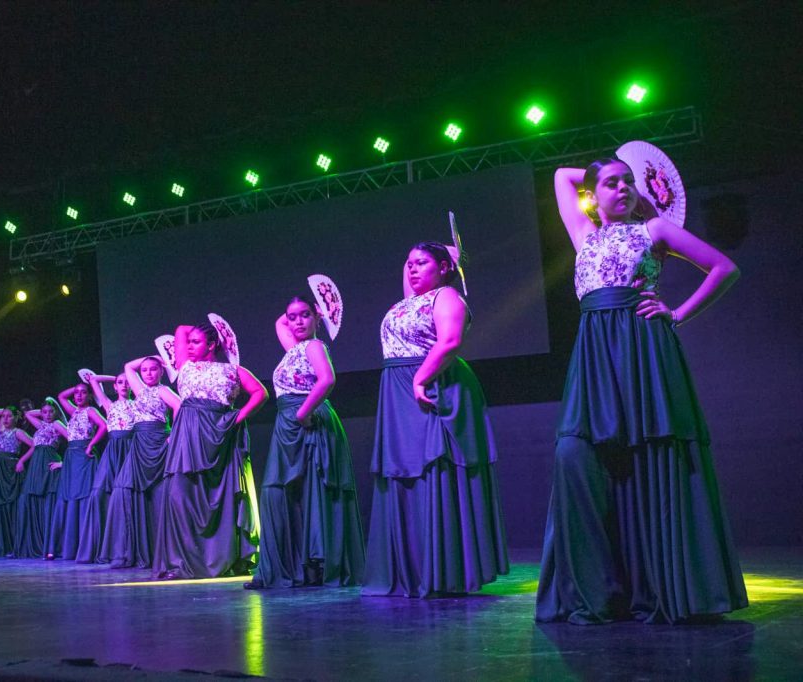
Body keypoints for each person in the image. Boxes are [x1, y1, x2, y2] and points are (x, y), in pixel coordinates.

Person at [536, 160, 747, 624]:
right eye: (612, 183)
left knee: (653, 458)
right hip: (594, 354)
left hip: (643, 349)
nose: (623, 187)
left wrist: (678, 313)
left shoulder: (655, 229)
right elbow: (561, 177)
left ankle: (665, 587)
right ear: (593, 194)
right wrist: (606, 167)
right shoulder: (583, 234)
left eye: (629, 180)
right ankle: (601, 591)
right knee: (574, 455)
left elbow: (724, 268)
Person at [362, 242, 509, 598]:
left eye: (421, 263)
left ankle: (445, 570)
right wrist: (428, 254)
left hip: (431, 386)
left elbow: (450, 341)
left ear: (443, 267)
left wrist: (419, 378)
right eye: (408, 263)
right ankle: (413, 570)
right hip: (399, 389)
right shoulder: (408, 301)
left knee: (433, 470)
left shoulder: (446, 296)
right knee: (406, 472)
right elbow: (409, 269)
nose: (412, 269)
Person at [246, 296, 365, 588]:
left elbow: (326, 380)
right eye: (293, 316)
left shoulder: (314, 346)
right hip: (288, 423)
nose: (297, 322)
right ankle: (295, 567)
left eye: (305, 315)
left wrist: (302, 413)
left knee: (313, 493)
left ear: (316, 319)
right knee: (283, 493)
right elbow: (279, 323)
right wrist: (310, 313)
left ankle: (317, 568)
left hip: (308, 421)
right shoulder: (294, 349)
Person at [153, 323, 268, 579]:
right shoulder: (185, 366)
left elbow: (261, 393)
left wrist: (238, 418)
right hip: (188, 434)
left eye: (197, 342)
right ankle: (181, 562)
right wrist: (207, 328)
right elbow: (181, 329)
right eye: (190, 342)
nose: (189, 346)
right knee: (179, 495)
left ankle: (222, 559)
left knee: (220, 498)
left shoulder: (232, 370)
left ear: (212, 344)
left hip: (219, 434)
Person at [102, 356, 179, 567]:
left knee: (159, 493)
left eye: (153, 369)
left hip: (156, 441)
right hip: (139, 442)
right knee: (123, 490)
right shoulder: (139, 390)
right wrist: (153, 358)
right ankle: (129, 551)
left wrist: (173, 434)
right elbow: (128, 365)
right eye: (144, 370)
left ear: (161, 372)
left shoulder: (163, 390)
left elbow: (179, 406)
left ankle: (161, 550)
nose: (148, 373)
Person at [48, 383, 106, 561]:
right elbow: (60, 396)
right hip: (72, 456)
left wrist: (91, 444)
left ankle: (85, 546)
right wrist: (76, 386)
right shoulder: (74, 412)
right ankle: (71, 548)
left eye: (83, 393)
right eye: (76, 393)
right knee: (70, 498)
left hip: (84, 455)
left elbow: (103, 426)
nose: (79, 396)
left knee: (83, 498)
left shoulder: (90, 411)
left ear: (89, 396)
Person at [82, 371, 135, 563]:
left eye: (127, 383)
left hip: (131, 449)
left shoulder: (138, 404)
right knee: (99, 494)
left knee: (125, 495)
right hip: (113, 450)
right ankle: (102, 545)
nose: (124, 385)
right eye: (120, 383)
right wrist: (115, 377)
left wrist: (129, 378)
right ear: (114, 386)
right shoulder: (108, 405)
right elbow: (93, 380)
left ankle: (126, 547)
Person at [16, 401, 66, 559]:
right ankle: (31, 545)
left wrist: (63, 463)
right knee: (30, 501)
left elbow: (73, 440)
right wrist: (46, 407)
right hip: (36, 465)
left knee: (48, 504)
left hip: (49, 463)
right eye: (44, 412)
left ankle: (50, 547)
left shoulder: (57, 424)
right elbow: (28, 414)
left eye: (51, 411)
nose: (47, 414)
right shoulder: (41, 426)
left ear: (56, 413)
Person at [0, 406, 33, 557]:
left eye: (9, 416)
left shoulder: (18, 432)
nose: (4, 418)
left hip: (9, 470)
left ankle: (12, 546)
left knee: (10, 507)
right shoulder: (0, 430)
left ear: (16, 418)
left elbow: (34, 445)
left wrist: (21, 461)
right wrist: (8, 410)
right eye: (3, 416)